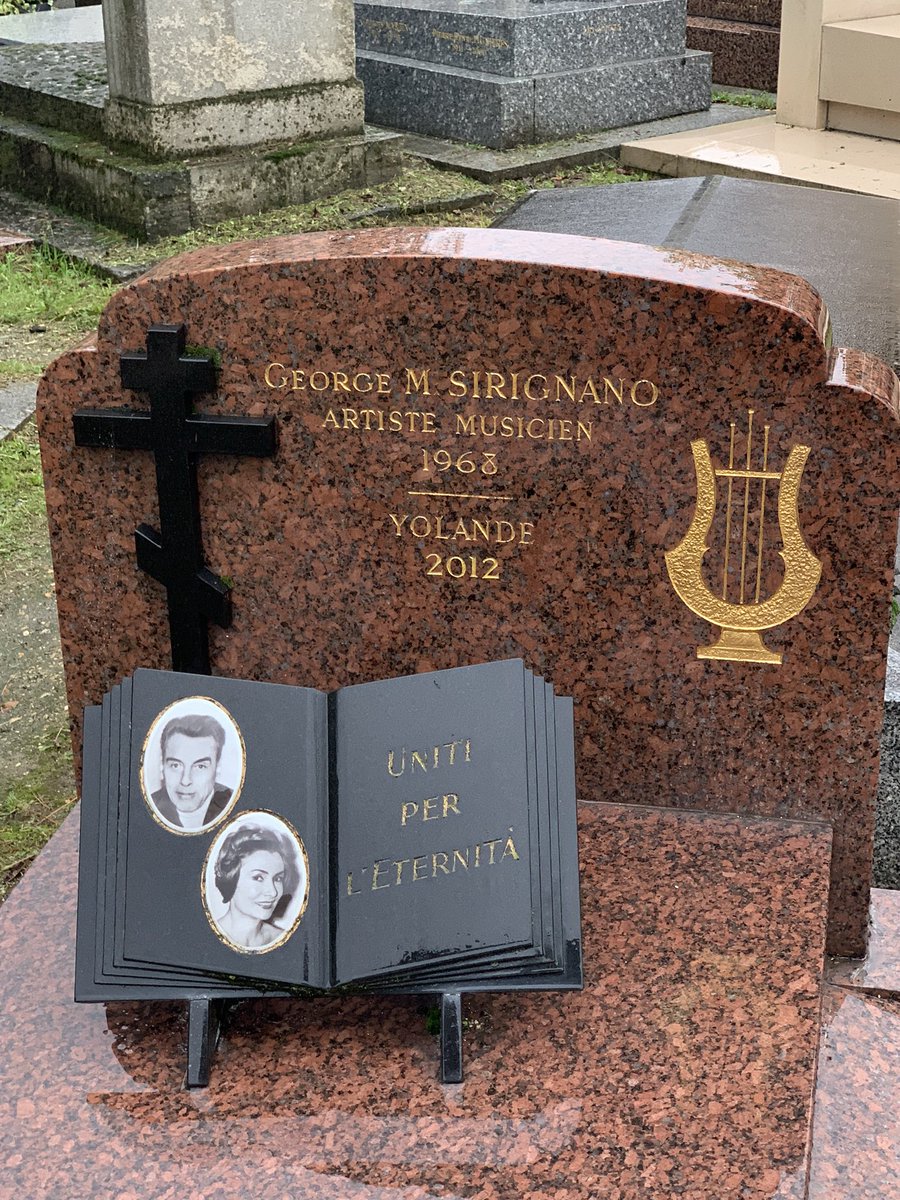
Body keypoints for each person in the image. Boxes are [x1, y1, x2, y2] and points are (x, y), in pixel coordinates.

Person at [212, 823, 300, 950]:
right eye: (258, 878)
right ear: (231, 878)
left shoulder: (284, 940)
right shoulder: (206, 937)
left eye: (277, 879)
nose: (273, 892)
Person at [150, 713, 233, 830]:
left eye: (200, 767)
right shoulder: (148, 808)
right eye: (175, 765)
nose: (185, 781)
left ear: (217, 767)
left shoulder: (232, 805)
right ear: (162, 765)